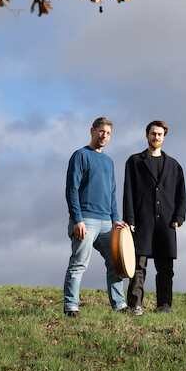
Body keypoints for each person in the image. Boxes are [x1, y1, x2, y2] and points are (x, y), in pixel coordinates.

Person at [63, 117, 128, 317]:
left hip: (107, 222)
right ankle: (71, 306)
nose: (104, 136)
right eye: (101, 131)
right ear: (92, 130)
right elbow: (71, 189)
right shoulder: (80, 155)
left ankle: (119, 305)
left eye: (108, 133)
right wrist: (78, 219)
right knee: (79, 262)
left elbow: (112, 193)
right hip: (85, 220)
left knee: (116, 262)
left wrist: (116, 219)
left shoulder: (108, 162)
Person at [123, 120, 186, 315]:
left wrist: (179, 217)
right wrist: (130, 219)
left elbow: (181, 193)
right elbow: (128, 192)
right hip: (142, 220)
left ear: (164, 137)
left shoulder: (174, 165)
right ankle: (135, 304)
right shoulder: (134, 162)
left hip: (166, 222)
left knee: (165, 266)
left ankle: (164, 305)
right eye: (153, 133)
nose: (156, 137)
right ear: (147, 135)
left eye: (159, 134)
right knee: (138, 265)